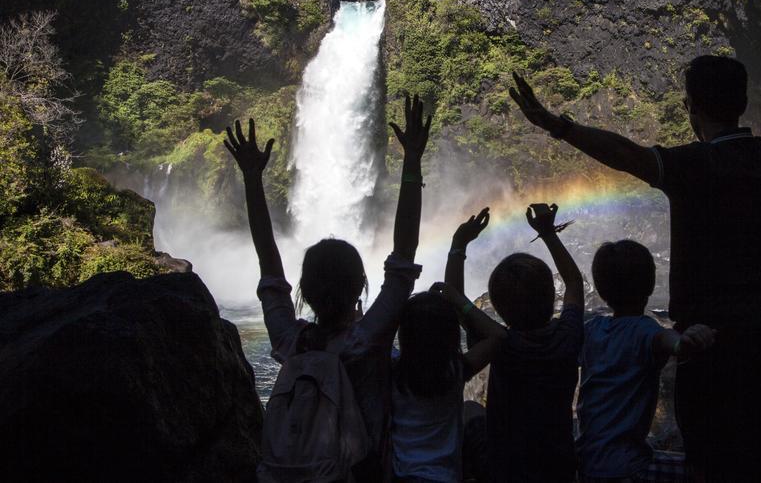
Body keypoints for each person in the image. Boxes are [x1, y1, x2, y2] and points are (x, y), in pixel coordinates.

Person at [510, 56, 761, 481]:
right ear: (742, 102)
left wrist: (558, 126)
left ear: (691, 106)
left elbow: (624, 154)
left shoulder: (691, 166)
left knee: (711, 466)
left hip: (709, 348)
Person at [225, 93, 431, 482]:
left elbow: (268, 260)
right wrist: (413, 160)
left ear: (302, 289)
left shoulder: (289, 340)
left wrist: (252, 179)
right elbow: (405, 255)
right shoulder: (367, 341)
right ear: (361, 287)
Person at [577, 239, 716, 483]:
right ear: (651, 285)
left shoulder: (592, 330)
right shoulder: (644, 330)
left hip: (586, 463)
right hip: (627, 467)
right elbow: (669, 342)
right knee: (703, 472)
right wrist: (686, 341)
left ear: (601, 291)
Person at [469, 203, 585, 483]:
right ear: (551, 298)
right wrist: (548, 233)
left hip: (506, 468)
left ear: (498, 308)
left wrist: (458, 249)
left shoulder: (501, 345)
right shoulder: (567, 335)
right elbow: (574, 282)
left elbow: (465, 313)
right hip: (558, 465)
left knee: (470, 414)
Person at [391, 209, 506, 483]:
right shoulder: (454, 371)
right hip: (445, 476)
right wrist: (458, 299)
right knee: (472, 410)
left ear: (403, 334)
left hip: (401, 477)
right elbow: (499, 336)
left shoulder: (391, 371)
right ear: (453, 336)